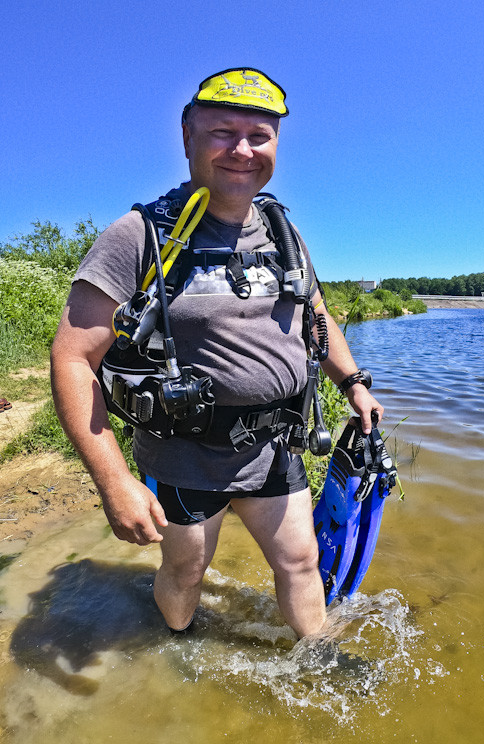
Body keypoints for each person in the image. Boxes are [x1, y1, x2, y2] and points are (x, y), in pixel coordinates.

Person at [51, 67, 383, 639]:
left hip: (276, 446)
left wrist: (353, 382)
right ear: (187, 137)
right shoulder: (139, 235)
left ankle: (318, 665)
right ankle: (177, 653)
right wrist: (114, 483)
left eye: (260, 134)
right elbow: (72, 358)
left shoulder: (284, 231)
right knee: (186, 571)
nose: (243, 148)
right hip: (185, 454)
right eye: (222, 131)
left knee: (301, 564)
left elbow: (315, 315)